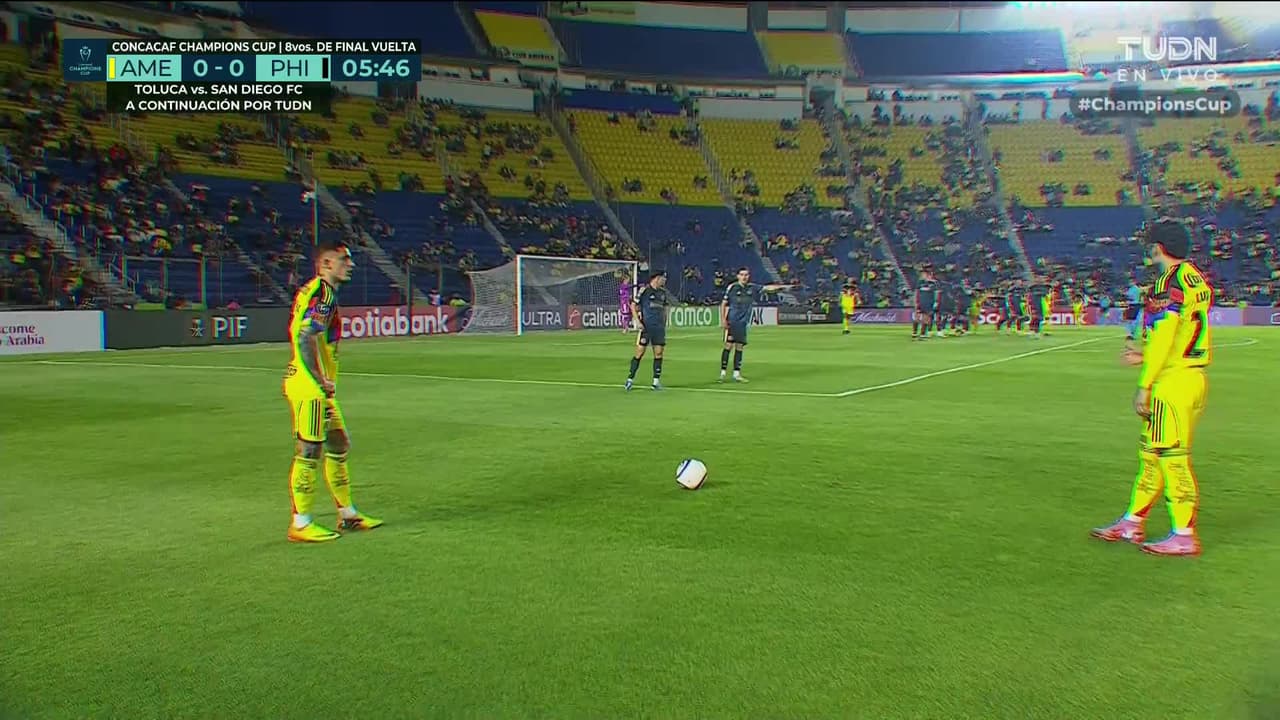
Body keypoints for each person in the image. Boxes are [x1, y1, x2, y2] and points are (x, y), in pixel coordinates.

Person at [1091, 221, 1211, 556]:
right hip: (1192, 375)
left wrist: (1144, 383)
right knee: (1151, 455)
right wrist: (1146, 353)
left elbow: (1164, 334)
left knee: (1172, 459)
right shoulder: (1194, 278)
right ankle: (1132, 521)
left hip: (1172, 383)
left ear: (1158, 247)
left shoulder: (1166, 283)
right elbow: (1186, 333)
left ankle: (1184, 535)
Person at [282, 240, 383, 543]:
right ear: (326, 264)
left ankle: (348, 515)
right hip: (309, 385)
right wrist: (321, 379)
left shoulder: (313, 290)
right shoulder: (323, 293)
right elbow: (305, 336)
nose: (349, 264)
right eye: (343, 259)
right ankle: (300, 523)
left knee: (339, 444)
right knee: (310, 449)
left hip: (312, 385)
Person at [718, 267, 793, 382]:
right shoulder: (732, 287)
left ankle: (736, 374)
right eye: (742, 275)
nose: (744, 277)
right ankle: (722, 373)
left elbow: (767, 288)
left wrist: (781, 287)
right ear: (738, 276)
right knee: (728, 346)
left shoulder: (752, 288)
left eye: (746, 275)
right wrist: (723, 319)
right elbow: (723, 303)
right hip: (732, 321)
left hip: (743, 323)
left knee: (739, 347)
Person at [626, 270, 675, 391]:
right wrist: (637, 321)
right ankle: (630, 379)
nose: (665, 280)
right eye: (663, 278)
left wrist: (665, 322)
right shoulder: (644, 291)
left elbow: (664, 309)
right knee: (640, 352)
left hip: (659, 328)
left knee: (658, 353)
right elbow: (633, 305)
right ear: (657, 278)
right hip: (646, 327)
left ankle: (656, 381)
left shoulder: (663, 293)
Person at [912, 271, 939, 340]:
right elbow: (916, 293)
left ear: (928, 275)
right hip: (920, 303)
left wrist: (936, 302)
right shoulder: (920, 283)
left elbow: (936, 293)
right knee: (916, 317)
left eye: (924, 275)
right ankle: (914, 333)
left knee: (926, 319)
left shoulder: (934, 283)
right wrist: (915, 302)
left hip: (929, 303)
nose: (922, 276)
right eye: (922, 275)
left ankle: (922, 334)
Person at [1124, 275, 1145, 341]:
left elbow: (1130, 297)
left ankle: (1131, 334)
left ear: (1134, 282)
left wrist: (1125, 296)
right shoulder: (1133, 289)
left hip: (1134, 305)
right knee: (1131, 321)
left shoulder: (1135, 289)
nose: (1129, 283)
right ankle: (1131, 334)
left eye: (1131, 281)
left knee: (1132, 321)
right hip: (1133, 305)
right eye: (1129, 281)